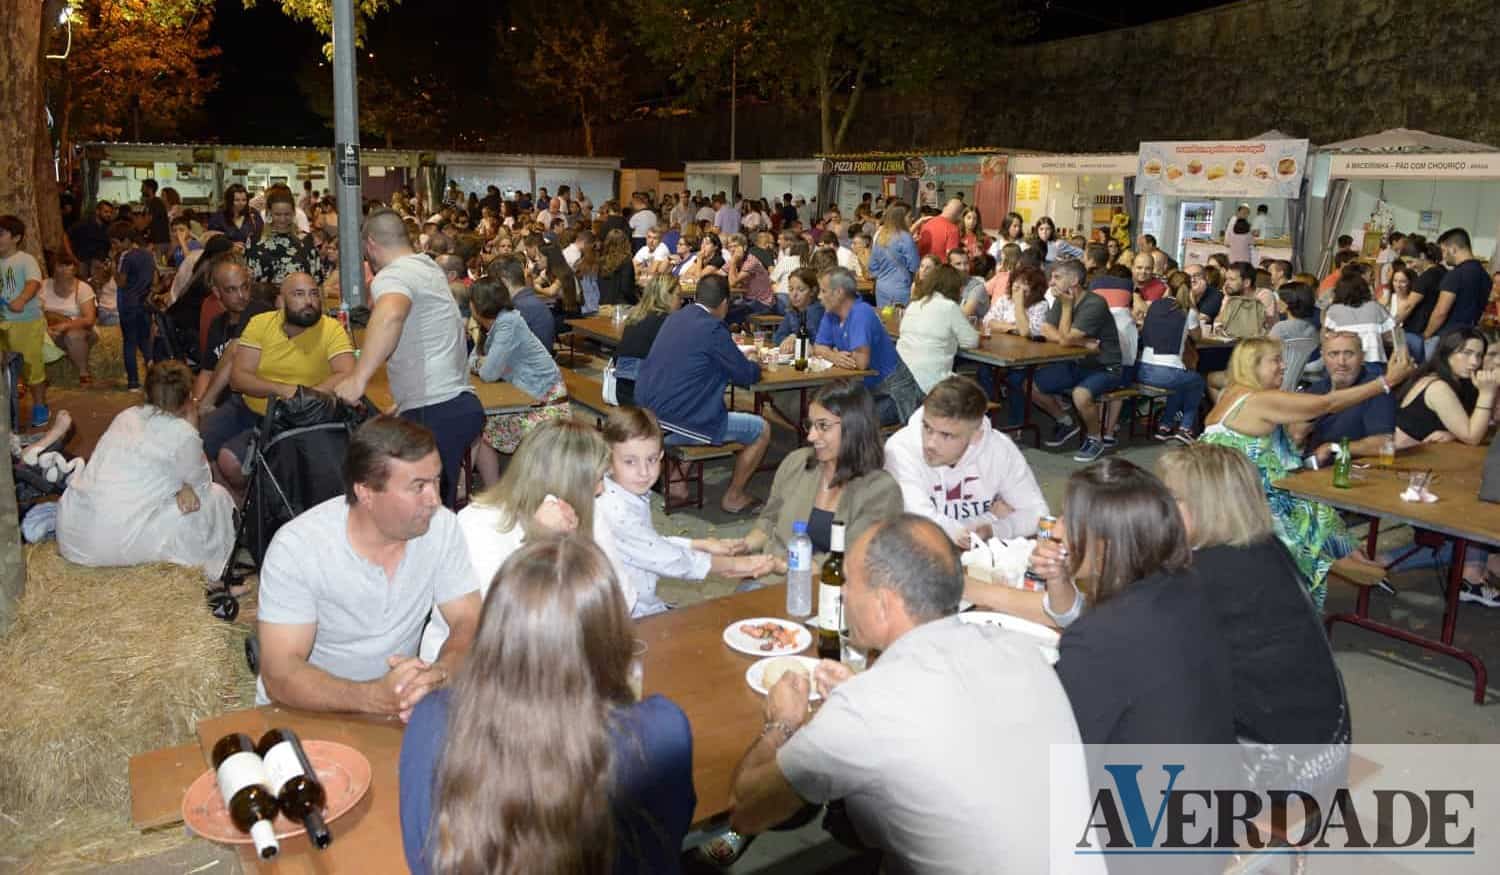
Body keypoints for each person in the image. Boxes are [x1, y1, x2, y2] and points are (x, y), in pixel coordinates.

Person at [728, 514, 1100, 875]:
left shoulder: (869, 707)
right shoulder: (1020, 651)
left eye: (849, 585)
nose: (841, 593)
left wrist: (782, 723)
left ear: (883, 603)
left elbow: (746, 810)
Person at [399, 535, 694, 875]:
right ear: (611, 634)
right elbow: (668, 834)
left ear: (495, 630)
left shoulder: (433, 721)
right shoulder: (662, 732)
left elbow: (421, 856)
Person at [256, 416, 482, 719]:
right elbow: (280, 674)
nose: (435, 499)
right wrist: (374, 697)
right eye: (418, 487)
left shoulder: (442, 528)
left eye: (436, 480)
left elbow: (468, 619)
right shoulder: (297, 549)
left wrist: (442, 674)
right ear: (366, 492)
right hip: (305, 710)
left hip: (395, 708)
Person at [1157, 444, 1350, 753]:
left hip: (1275, 755)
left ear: (1209, 506)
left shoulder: (1202, 574)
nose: (1159, 507)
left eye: (1172, 498)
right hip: (1327, 730)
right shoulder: (1265, 546)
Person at [1032, 457, 1236, 745]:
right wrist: (1060, 580)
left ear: (1105, 545)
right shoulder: (1183, 583)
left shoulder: (1098, 638)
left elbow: (1064, 745)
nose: (1056, 532)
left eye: (1067, 520)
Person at [1201, 337, 1413, 607]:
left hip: (1238, 489)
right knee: (1312, 513)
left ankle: (1351, 564)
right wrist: (1385, 383)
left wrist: (1297, 436)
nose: (1283, 365)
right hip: (1244, 499)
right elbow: (1326, 404)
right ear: (1252, 365)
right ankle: (1343, 566)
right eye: (1275, 360)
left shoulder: (1236, 393)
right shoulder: (1257, 399)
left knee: (1320, 512)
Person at [430, 418, 632, 653]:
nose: (602, 490)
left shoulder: (587, 508)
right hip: (475, 665)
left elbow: (621, 600)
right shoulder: (478, 524)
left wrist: (577, 548)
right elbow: (501, 630)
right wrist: (542, 544)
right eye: (597, 480)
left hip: (555, 656)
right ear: (568, 484)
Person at [335, 209, 485, 509]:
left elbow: (391, 314)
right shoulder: (427, 268)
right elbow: (428, 340)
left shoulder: (392, 275)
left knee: (420, 512)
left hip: (437, 410)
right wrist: (404, 403)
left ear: (370, 244)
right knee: (434, 508)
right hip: (455, 404)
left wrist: (358, 378)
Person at [57, 360, 235, 579]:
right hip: (113, 543)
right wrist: (193, 427)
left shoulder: (127, 415)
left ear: (146, 392)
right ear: (187, 398)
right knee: (216, 497)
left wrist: (182, 484)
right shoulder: (183, 433)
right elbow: (202, 484)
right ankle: (216, 575)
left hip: (72, 534)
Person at [596, 407, 777, 615]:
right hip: (623, 615)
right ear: (608, 460)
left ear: (661, 455)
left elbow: (648, 542)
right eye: (630, 461)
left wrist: (702, 544)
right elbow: (667, 559)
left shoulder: (622, 491)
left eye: (652, 459)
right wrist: (736, 565)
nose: (644, 472)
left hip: (636, 603)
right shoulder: (615, 509)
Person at [636, 274, 770, 514]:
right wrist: (754, 363)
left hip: (648, 417)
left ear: (695, 296)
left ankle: (678, 484)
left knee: (698, 404)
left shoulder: (675, 318)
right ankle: (734, 497)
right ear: (725, 304)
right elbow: (746, 375)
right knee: (761, 429)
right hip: (678, 421)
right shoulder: (713, 328)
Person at [741, 380, 902, 560]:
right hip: (775, 577)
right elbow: (768, 521)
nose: (811, 436)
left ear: (854, 427)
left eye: (823, 426)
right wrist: (743, 545)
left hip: (832, 585)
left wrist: (787, 566)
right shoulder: (797, 463)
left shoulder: (881, 490)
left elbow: (855, 559)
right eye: (810, 425)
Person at [883, 375, 1047, 552]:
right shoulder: (900, 449)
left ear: (976, 436)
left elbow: (1039, 514)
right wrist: (990, 518)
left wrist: (996, 530)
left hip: (977, 558)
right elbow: (920, 524)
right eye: (927, 427)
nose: (930, 443)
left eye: (946, 435)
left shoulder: (999, 448)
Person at [468, 279, 569, 485]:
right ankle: (492, 489)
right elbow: (473, 361)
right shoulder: (495, 324)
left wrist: (482, 364)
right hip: (527, 397)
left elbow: (488, 373)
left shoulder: (508, 323)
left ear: (476, 306)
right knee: (475, 426)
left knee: (475, 428)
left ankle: (479, 489)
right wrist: (482, 361)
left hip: (546, 405)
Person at [1031, 259, 1124, 462]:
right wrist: (1081, 343)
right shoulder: (1062, 299)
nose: (1051, 283)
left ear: (1074, 280)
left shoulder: (1095, 303)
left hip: (1105, 367)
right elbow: (1046, 329)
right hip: (1076, 362)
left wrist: (1066, 310)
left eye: (1057, 277)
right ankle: (1065, 421)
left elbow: (1064, 338)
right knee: (1030, 384)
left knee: (1081, 395)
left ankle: (1095, 438)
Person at [815, 267, 923, 426]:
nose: (819, 296)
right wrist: (834, 355)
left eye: (823, 291)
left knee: (846, 424)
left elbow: (861, 363)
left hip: (893, 395)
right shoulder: (831, 313)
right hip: (864, 392)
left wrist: (831, 353)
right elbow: (818, 347)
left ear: (838, 293)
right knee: (825, 413)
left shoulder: (861, 312)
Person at [1296, 331, 1398, 464]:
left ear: (1362, 356)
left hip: (1353, 471)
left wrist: (1333, 448)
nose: (1341, 362)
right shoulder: (1315, 390)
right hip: (1310, 469)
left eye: (1349, 354)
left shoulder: (1376, 389)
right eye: (1334, 354)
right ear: (1323, 357)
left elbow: (1383, 444)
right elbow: (1295, 437)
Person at [1395, 328, 1499, 448]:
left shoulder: (1463, 381)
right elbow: (1472, 438)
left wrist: (1454, 434)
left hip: (1428, 455)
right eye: (1466, 353)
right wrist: (1487, 394)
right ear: (1447, 352)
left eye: (1479, 355)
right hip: (1398, 458)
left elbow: (1490, 421)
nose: (1474, 362)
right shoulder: (1438, 387)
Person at [194, 259, 271, 416]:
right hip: (219, 405)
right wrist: (196, 402)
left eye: (245, 287)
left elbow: (236, 350)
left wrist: (204, 403)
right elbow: (206, 371)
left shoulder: (260, 312)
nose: (242, 295)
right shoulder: (217, 324)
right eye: (231, 290)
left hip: (249, 405)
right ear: (217, 292)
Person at [1137, 269, 1205, 443]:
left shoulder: (1154, 306)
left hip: (1143, 370)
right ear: (1189, 288)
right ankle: (1185, 427)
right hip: (1168, 372)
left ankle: (1165, 426)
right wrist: (1194, 305)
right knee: (1196, 381)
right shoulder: (1188, 311)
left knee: (1181, 382)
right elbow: (1197, 337)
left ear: (1168, 286)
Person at [895, 263, 978, 394]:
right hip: (931, 382)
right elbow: (971, 341)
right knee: (972, 391)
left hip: (901, 378)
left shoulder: (914, 305)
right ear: (956, 288)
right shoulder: (949, 307)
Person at [1423, 227, 1490, 357]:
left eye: (1443, 251)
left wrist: (1426, 334)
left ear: (1453, 249)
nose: (1443, 256)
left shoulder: (1456, 274)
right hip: (1470, 339)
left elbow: (1441, 312)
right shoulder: (1485, 275)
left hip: (1446, 339)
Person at [613, 275, 678, 406]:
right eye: (679, 296)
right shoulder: (667, 321)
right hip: (645, 394)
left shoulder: (635, 316)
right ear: (667, 296)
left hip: (622, 389)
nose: (681, 301)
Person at [39, 252, 98, 386]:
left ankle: (84, 373)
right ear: (53, 268)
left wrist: (66, 325)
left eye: (68, 265)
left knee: (73, 335)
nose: (64, 269)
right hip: (49, 327)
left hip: (79, 328)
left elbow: (89, 319)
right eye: (60, 266)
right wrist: (46, 328)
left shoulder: (83, 288)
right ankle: (38, 376)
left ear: (75, 269)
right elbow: (35, 311)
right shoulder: (43, 286)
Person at [1323, 272, 1396, 369]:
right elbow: (1391, 336)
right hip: (1374, 361)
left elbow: (1327, 337)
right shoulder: (1375, 307)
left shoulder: (1333, 310)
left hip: (1344, 363)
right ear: (1365, 289)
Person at [487, 255, 554, 351]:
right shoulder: (530, 301)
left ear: (503, 282)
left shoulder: (518, 308)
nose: (492, 290)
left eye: (493, 284)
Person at [867, 205, 919, 308]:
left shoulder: (880, 236)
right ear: (901, 219)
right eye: (909, 216)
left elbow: (872, 266)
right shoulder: (905, 237)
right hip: (901, 287)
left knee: (884, 320)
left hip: (881, 288)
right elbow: (914, 266)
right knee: (899, 320)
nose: (912, 219)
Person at [772, 267, 824, 352]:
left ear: (812, 291)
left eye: (801, 290)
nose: (794, 294)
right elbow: (777, 338)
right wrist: (790, 337)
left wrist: (795, 338)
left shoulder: (816, 311)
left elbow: (817, 343)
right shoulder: (792, 311)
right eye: (791, 289)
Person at [596, 228, 637, 307]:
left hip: (603, 303)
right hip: (621, 305)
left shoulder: (601, 261)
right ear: (625, 243)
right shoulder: (626, 261)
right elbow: (626, 288)